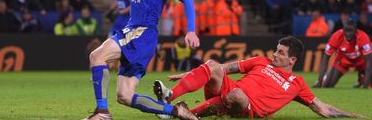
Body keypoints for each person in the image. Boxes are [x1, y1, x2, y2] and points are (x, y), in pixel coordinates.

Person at [83, 0, 200, 120]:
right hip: (141, 36)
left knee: (97, 56)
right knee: (125, 96)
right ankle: (177, 111)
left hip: (140, 32)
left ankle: (102, 113)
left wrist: (191, 30)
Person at [153, 36, 364, 119]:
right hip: (230, 93)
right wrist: (192, 73)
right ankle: (171, 101)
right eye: (276, 49)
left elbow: (323, 108)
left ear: (292, 60)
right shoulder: (261, 61)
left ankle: (183, 113)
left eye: (281, 53)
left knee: (236, 94)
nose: (275, 54)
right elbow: (223, 68)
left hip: (248, 106)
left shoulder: (297, 83)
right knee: (212, 65)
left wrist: (354, 116)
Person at [314, 20, 372, 88]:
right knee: (327, 85)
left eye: (351, 31)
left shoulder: (363, 37)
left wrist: (365, 85)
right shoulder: (336, 36)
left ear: (356, 31)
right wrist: (319, 81)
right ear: (343, 30)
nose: (348, 33)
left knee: (369, 84)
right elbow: (325, 58)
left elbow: (369, 61)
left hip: (361, 62)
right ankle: (324, 80)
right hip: (343, 62)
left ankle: (361, 78)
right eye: (346, 31)